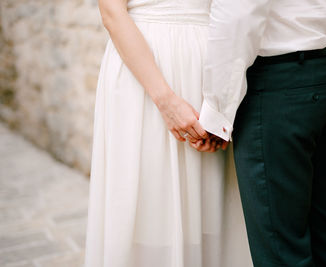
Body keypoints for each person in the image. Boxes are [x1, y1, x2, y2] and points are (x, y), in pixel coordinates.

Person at [84, 0, 253, 266]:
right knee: (149, 195)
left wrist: (221, 105)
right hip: (144, 71)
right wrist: (165, 100)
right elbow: (112, 13)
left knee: (207, 199)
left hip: (207, 67)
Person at [194, 0, 326, 266]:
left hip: (280, 85)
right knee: (323, 233)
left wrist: (218, 110)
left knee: (281, 251)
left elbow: (238, 13)